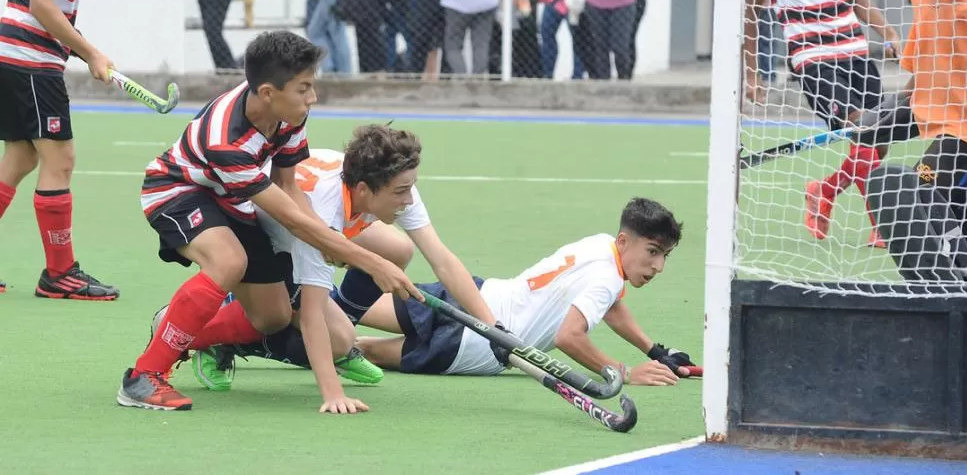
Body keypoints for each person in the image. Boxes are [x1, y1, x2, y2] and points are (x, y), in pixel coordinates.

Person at [116, 31, 421, 412]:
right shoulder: (226, 139)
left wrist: (327, 238)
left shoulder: (290, 115)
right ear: (267, 92)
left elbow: (288, 185)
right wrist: (369, 260)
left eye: (313, 86)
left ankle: (176, 330)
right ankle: (143, 377)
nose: (313, 98)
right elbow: (290, 219)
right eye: (304, 88)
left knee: (271, 315)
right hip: (178, 190)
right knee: (229, 261)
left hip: (232, 198)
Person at [225, 197, 694, 386]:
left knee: (348, 318)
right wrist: (625, 371)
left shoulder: (602, 246)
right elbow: (572, 336)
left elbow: (611, 310)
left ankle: (266, 302)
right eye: (652, 251)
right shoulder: (607, 277)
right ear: (628, 242)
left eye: (665, 256)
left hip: (471, 296)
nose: (657, 265)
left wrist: (656, 349)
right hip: (474, 347)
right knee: (352, 348)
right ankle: (248, 336)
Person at [190, 128, 499, 406]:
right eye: (401, 191)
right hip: (263, 240)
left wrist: (494, 330)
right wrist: (334, 394)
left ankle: (338, 331)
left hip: (321, 220)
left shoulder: (391, 181)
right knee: (336, 337)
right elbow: (312, 316)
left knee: (396, 249)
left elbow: (442, 260)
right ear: (364, 189)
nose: (409, 199)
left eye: (410, 187)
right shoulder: (322, 216)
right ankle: (223, 337)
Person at [744, 0, 901, 248]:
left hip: (856, 52)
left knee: (876, 138)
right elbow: (751, 16)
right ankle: (883, 223)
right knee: (861, 126)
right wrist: (752, 75)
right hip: (812, 59)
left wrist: (891, 34)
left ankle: (824, 190)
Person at [0, 0, 119, 300]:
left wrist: (84, 50)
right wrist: (89, 52)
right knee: (60, 158)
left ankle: (59, 273)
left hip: (18, 54)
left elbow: (51, 8)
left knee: (20, 159)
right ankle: (60, 274)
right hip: (28, 58)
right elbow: (43, 6)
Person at [866, 0, 967, 283]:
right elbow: (925, 49)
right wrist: (899, 102)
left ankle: (961, 264)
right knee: (949, 203)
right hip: (945, 121)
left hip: (966, 126)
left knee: (922, 189)